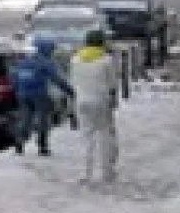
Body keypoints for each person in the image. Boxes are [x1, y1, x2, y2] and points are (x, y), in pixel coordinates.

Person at [68, 29, 122, 184]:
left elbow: (72, 82)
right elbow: (112, 82)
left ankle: (85, 172)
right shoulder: (106, 60)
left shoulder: (75, 59)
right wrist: (113, 98)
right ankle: (107, 171)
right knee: (105, 135)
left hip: (82, 101)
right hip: (101, 100)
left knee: (86, 137)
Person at [11, 40, 73, 156]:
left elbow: (14, 78)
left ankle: (19, 142)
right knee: (42, 119)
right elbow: (56, 79)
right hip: (39, 94)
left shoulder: (24, 62)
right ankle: (42, 145)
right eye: (52, 50)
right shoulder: (46, 63)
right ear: (47, 50)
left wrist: (18, 90)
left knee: (25, 118)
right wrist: (69, 90)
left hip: (23, 94)